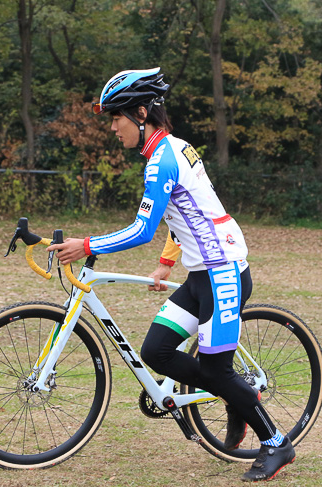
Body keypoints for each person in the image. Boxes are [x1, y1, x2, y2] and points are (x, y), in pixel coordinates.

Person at [47, 67, 295, 482]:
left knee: (216, 371)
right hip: (201, 276)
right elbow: (190, 214)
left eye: (116, 118)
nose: (112, 128)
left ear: (140, 113)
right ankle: (237, 398)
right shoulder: (171, 148)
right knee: (156, 352)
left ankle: (276, 441)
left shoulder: (162, 159)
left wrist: (86, 245)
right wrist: (167, 261)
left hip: (223, 275)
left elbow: (144, 228)